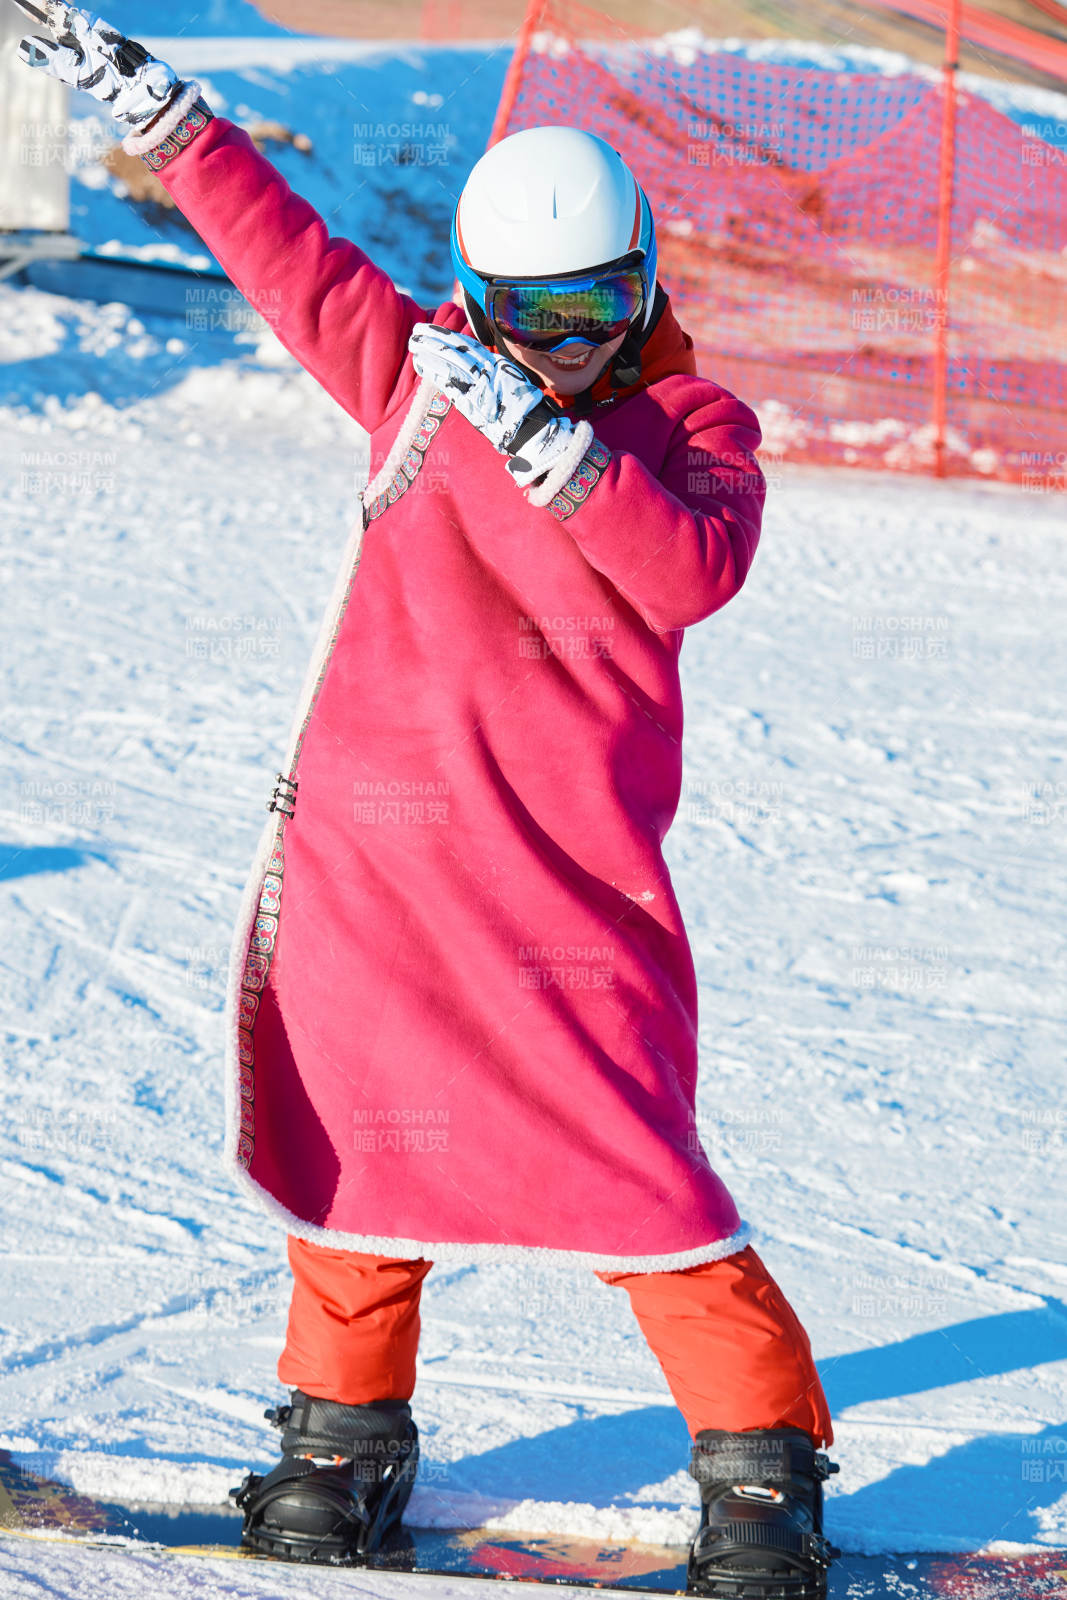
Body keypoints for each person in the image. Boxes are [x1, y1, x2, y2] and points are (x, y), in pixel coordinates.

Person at [16, 8, 840, 1595]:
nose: (569, 340)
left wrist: (569, 457)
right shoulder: (420, 383)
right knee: (358, 1165)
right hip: (379, 882)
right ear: (478, 298)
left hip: (566, 899)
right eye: (531, 314)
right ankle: (340, 1440)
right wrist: (172, 117)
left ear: (646, 282)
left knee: (636, 1178)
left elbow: (687, 573)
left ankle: (760, 1469)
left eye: (601, 304)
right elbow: (286, 252)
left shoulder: (691, 431)